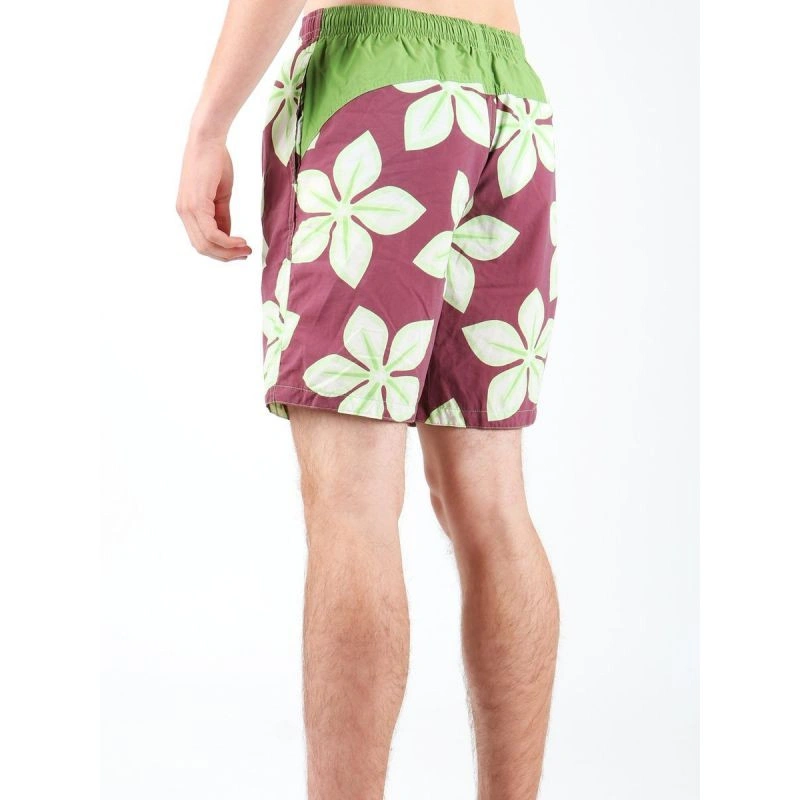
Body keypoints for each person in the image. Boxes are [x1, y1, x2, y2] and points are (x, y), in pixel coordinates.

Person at [177, 1, 559, 797]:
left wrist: (208, 126)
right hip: (510, 95)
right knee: (493, 505)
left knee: (352, 504)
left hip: (378, 83)